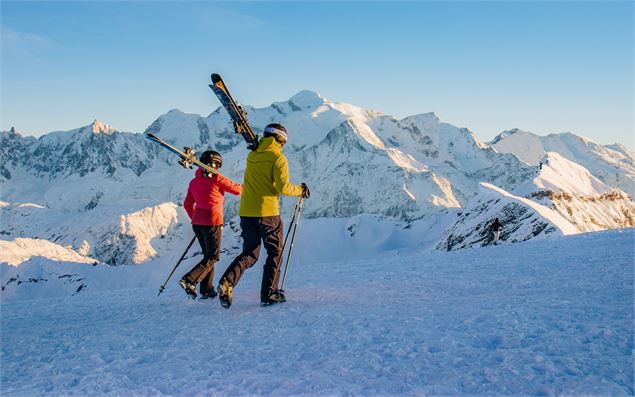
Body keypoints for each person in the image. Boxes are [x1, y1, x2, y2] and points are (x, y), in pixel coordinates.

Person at [217, 123, 310, 308]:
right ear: (281, 140)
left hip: (246, 212)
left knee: (250, 253)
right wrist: (300, 190)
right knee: (275, 252)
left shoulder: (252, 155)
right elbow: (283, 188)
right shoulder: (278, 158)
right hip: (267, 213)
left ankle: (227, 281)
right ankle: (269, 294)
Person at [179, 150, 242, 300]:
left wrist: (196, 218)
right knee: (213, 257)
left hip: (197, 223)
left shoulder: (194, 182)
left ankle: (207, 290)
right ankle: (190, 280)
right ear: (216, 164)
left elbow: (187, 204)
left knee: (208, 256)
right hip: (212, 221)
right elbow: (238, 190)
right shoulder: (217, 179)